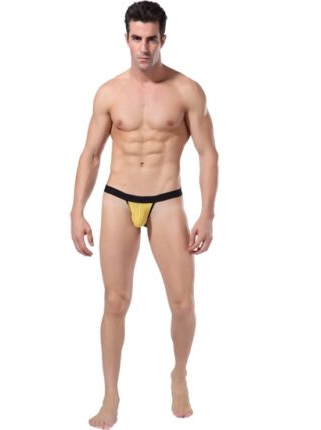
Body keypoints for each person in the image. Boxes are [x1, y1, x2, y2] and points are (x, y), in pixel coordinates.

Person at [70, 1, 219, 428]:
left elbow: (208, 154)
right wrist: (76, 210)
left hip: (167, 199)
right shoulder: (109, 92)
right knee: (115, 301)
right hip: (118, 198)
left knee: (183, 302)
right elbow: (91, 154)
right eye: (137, 38)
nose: (144, 47)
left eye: (152, 39)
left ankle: (179, 374)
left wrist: (207, 214)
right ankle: (110, 396)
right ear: (126, 39)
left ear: (163, 39)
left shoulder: (187, 90)